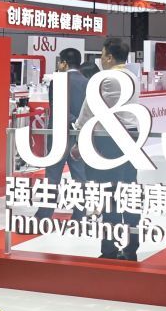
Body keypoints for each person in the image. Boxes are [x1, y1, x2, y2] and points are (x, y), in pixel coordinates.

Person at [71, 38, 142, 260]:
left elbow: (88, 111)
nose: (100, 59)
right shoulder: (133, 77)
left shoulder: (104, 78)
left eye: (102, 55)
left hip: (109, 139)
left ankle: (109, 248)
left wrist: (78, 138)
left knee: (109, 193)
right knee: (129, 190)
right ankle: (131, 246)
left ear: (109, 57)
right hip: (132, 136)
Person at [34, 48, 90, 223]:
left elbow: (57, 108)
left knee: (52, 176)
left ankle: (44, 214)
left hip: (59, 134)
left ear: (64, 63)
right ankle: (79, 214)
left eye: (60, 62)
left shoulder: (57, 81)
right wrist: (77, 124)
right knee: (79, 176)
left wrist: (72, 121)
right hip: (79, 134)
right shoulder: (87, 82)